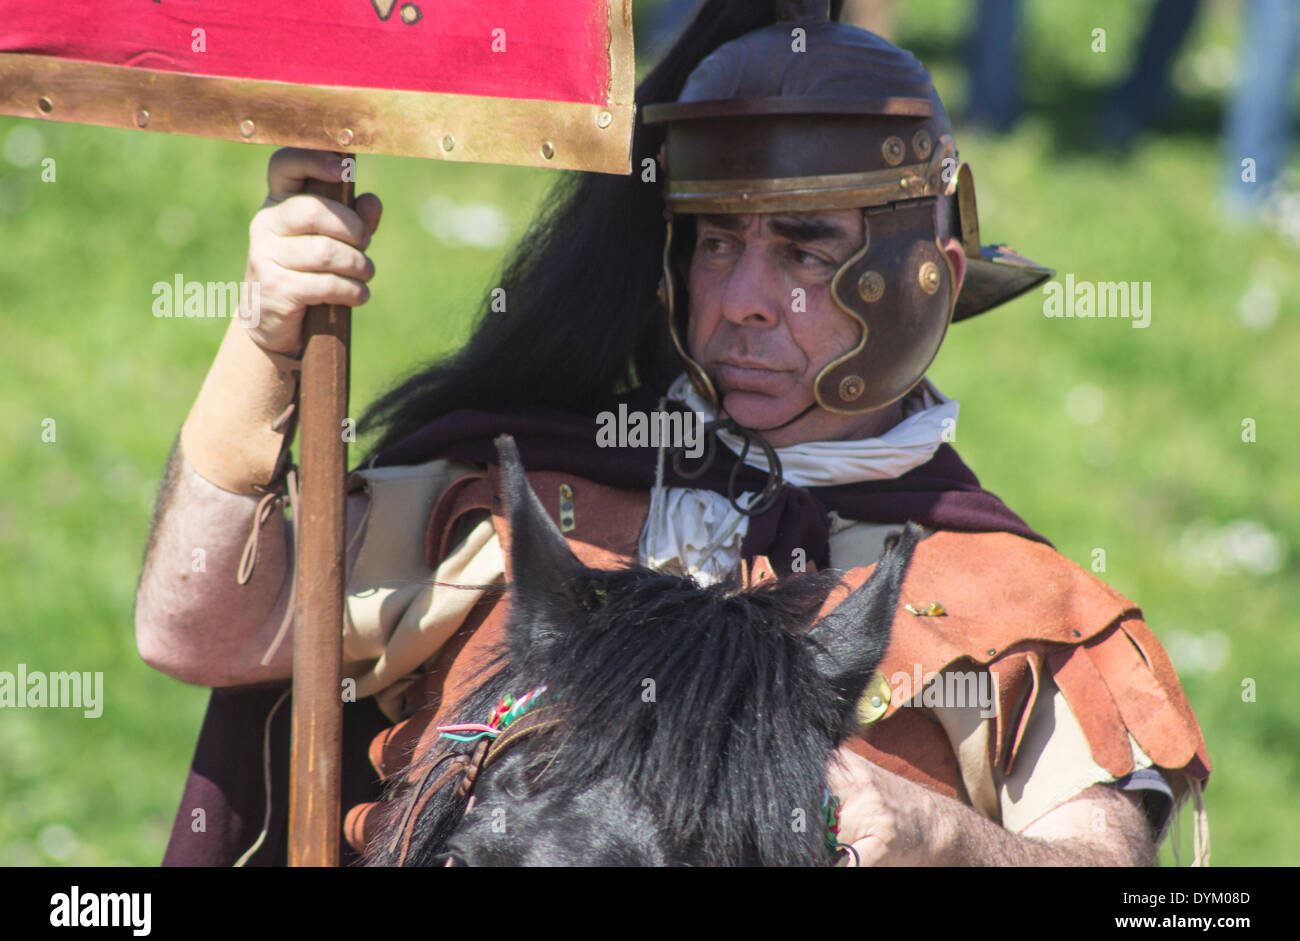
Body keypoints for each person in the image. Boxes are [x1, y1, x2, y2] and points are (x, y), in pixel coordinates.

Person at [135, 0, 1210, 866]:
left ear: (932, 277)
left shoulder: (1018, 600)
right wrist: (268, 335)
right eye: (712, 242)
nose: (741, 295)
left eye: (801, 249)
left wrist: (952, 840)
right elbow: (198, 632)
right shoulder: (511, 494)